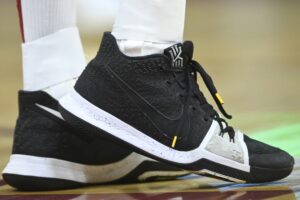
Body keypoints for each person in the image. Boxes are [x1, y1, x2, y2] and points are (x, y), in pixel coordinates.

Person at [4, 0, 294, 190]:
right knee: (144, 47)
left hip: (44, 101)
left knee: (54, 77)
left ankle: (54, 91)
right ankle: (144, 55)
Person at [2, 0, 189, 190]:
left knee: (53, 71)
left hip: (40, 107)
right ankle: (148, 55)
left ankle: (53, 91)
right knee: (147, 52)